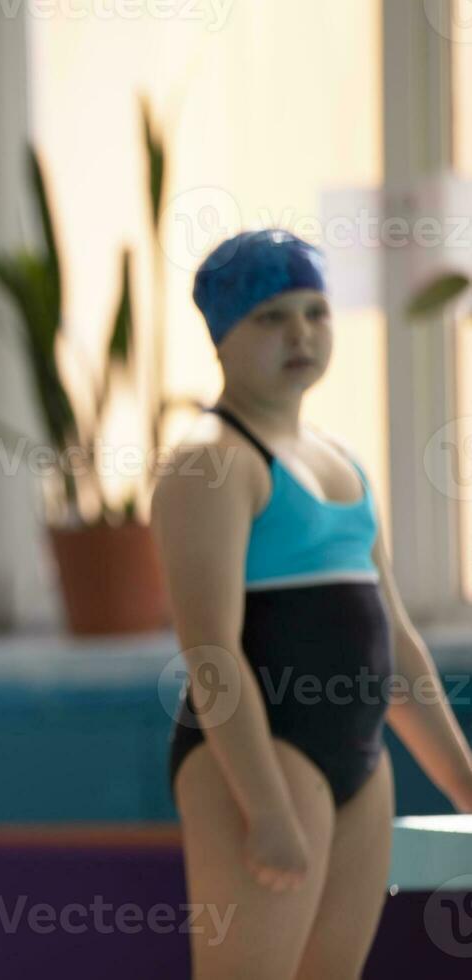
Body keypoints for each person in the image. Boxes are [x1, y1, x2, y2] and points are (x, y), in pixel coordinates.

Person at [151, 228, 472, 977]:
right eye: (270, 317)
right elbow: (209, 650)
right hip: (262, 756)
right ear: (223, 336)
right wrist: (263, 806)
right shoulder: (212, 464)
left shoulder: (342, 461)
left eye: (315, 312)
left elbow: (394, 638)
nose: (299, 332)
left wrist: (462, 780)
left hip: (359, 757)